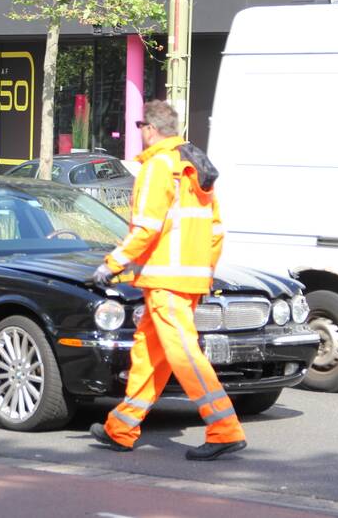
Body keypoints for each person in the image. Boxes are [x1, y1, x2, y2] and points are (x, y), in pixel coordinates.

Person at [89, 100, 246, 461]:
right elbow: (216, 231)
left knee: (183, 355)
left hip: (165, 281)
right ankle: (122, 427)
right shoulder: (193, 166)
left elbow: (146, 227)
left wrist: (111, 264)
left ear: (150, 129)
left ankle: (224, 429)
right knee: (149, 354)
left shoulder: (158, 166)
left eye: (140, 125)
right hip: (185, 280)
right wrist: (203, 275)